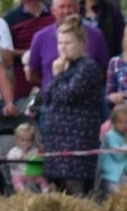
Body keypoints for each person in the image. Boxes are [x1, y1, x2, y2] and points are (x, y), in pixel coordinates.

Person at [38, 17, 104, 196]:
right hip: (57, 140)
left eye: (68, 43)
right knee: (57, 190)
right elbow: (48, 96)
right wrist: (57, 74)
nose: (62, 47)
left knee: (76, 191)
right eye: (60, 43)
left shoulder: (87, 67)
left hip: (77, 139)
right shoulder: (64, 66)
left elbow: (67, 94)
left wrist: (57, 75)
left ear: (81, 43)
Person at [98, 102, 127, 196]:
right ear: (114, 122)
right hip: (112, 176)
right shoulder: (110, 136)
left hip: (125, 174)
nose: (124, 125)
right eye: (120, 122)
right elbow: (118, 157)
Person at [6, 121, 43, 193]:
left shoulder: (34, 150)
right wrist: (20, 157)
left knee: (42, 180)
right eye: (22, 140)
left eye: (28, 141)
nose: (25, 143)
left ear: (32, 141)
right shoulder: (13, 151)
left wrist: (36, 157)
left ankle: (45, 192)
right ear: (16, 140)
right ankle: (23, 194)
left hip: (32, 175)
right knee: (17, 181)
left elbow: (39, 162)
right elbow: (10, 164)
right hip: (18, 175)